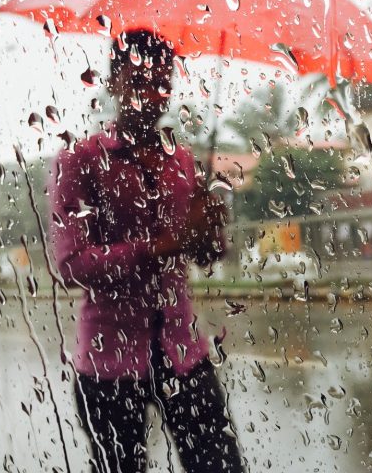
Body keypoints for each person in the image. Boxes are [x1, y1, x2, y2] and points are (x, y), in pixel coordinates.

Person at [49, 29, 244, 473]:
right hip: (108, 363)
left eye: (161, 85)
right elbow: (71, 264)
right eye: (138, 83)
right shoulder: (81, 161)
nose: (151, 97)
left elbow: (203, 256)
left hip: (183, 352)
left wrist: (210, 233)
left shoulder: (184, 161)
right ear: (114, 83)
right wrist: (166, 243)